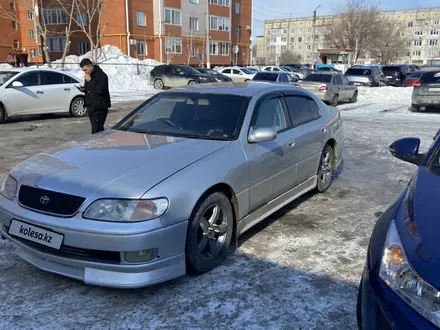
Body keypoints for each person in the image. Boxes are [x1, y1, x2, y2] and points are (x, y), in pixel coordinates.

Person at [78, 58, 111, 134]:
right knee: (98, 130)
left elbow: (100, 90)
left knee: (96, 131)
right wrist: (83, 89)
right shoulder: (88, 76)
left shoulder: (101, 75)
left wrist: (90, 81)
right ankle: (102, 143)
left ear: (91, 66)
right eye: (83, 70)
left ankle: (97, 144)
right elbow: (90, 89)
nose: (85, 72)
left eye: (86, 70)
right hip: (91, 106)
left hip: (99, 107)